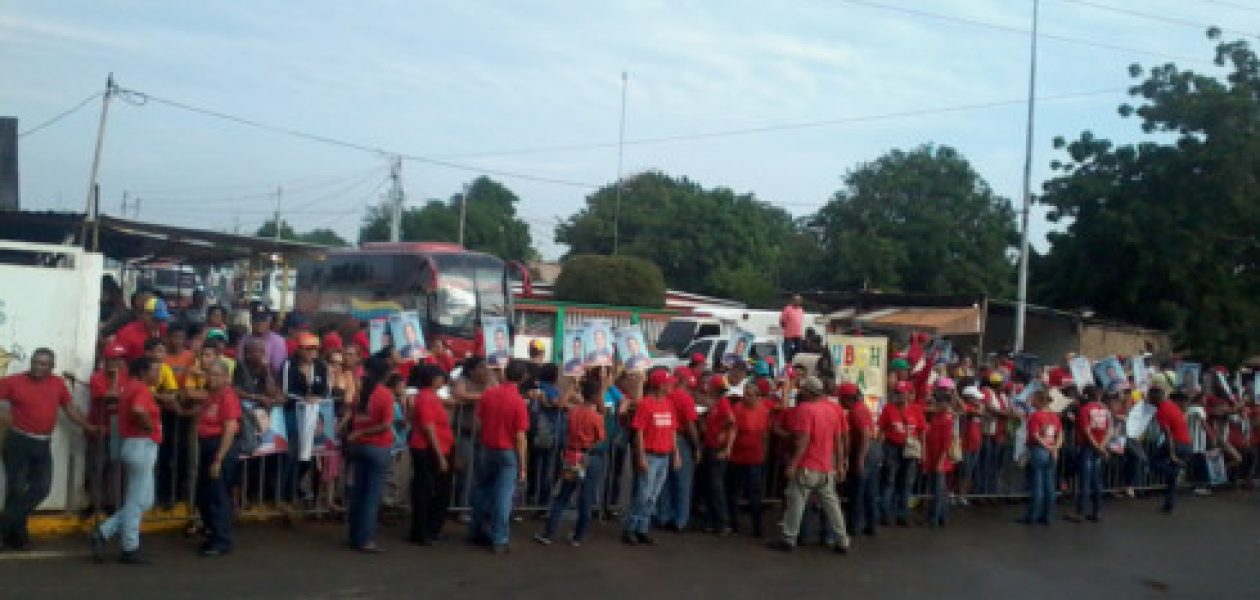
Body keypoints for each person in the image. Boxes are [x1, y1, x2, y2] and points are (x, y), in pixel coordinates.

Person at [0, 350, 97, 550]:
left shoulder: (57, 384)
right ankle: (17, 536)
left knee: (42, 488)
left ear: (51, 367)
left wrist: (88, 427)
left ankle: (6, 527)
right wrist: (3, 414)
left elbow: (69, 408)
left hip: (43, 443)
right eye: (35, 362)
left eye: (43, 364)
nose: (38, 366)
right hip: (19, 441)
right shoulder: (13, 381)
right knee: (16, 489)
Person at [90, 357, 162, 564]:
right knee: (135, 501)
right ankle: (129, 547)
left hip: (134, 444)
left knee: (143, 501)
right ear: (144, 371)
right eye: (154, 369)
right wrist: (149, 427)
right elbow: (138, 410)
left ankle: (104, 531)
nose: (157, 374)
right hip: (141, 444)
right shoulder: (140, 389)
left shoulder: (130, 387)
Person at [769, 376, 849, 553]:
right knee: (832, 505)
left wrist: (793, 463)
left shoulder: (805, 410)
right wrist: (841, 463)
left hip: (807, 464)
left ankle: (789, 538)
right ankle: (842, 539)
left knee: (796, 502)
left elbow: (803, 440)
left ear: (809, 392)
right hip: (826, 466)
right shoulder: (833, 409)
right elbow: (839, 440)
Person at [536, 375, 608, 547]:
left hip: (572, 455)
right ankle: (578, 536)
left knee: (563, 495)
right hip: (590, 456)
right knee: (586, 498)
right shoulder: (595, 417)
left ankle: (549, 533)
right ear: (596, 396)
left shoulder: (573, 411)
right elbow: (601, 437)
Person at [470, 360, 530, 554]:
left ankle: (477, 529)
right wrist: (523, 464)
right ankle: (499, 538)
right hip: (507, 451)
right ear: (522, 378)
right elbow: (520, 436)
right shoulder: (518, 401)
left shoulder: (488, 394)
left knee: (481, 491)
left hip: (487, 447)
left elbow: (477, 422)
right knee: (503, 496)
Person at [622, 369, 680, 546]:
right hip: (651, 454)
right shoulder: (646, 404)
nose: (672, 386)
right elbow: (638, 431)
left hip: (664, 455)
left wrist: (675, 453)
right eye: (669, 383)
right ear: (660, 385)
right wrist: (641, 456)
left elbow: (672, 430)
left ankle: (642, 528)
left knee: (653, 495)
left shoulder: (669, 404)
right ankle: (631, 528)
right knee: (643, 494)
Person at [345, 356, 395, 553]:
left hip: (359, 445)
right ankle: (366, 539)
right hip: (377, 446)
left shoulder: (361, 392)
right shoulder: (384, 394)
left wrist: (358, 433)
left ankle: (355, 535)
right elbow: (385, 425)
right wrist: (364, 433)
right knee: (371, 496)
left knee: (358, 492)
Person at [193, 359, 242, 557]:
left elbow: (229, 428)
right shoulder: (211, 396)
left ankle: (222, 540)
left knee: (217, 494)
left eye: (214, 374)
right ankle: (213, 533)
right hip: (208, 445)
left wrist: (218, 458)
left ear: (225, 377)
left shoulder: (227, 396)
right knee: (205, 494)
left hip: (219, 447)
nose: (210, 378)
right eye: (209, 374)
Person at [279, 332, 330, 506]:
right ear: (299, 349)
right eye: (307, 349)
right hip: (293, 411)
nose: (311, 353)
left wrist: (317, 399)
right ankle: (284, 492)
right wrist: (303, 398)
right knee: (291, 452)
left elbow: (325, 390)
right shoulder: (288, 365)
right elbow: (285, 390)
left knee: (311, 454)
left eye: (314, 349)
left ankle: (296, 487)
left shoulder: (321, 366)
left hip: (314, 412)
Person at [408, 364, 453, 546]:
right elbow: (429, 428)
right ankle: (424, 531)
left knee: (431, 490)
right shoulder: (426, 398)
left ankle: (428, 529)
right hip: (429, 449)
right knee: (428, 491)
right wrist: (440, 456)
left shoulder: (429, 397)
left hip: (434, 448)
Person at [727, 380, 772, 537]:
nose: (746, 397)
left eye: (750, 395)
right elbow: (732, 430)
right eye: (745, 394)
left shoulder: (764, 411)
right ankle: (734, 524)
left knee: (755, 494)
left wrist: (764, 454)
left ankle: (757, 526)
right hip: (738, 457)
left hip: (755, 458)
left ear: (757, 397)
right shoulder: (738, 409)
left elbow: (765, 435)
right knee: (734, 492)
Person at [657, 367, 699, 533]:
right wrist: (697, 446)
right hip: (680, 439)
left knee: (665, 481)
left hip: (666, 437)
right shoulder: (685, 398)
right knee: (682, 481)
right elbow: (690, 425)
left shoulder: (666, 395)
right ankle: (680, 520)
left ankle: (664, 516)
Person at [879, 381, 925, 526]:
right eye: (897, 392)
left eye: (901, 392)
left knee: (907, 483)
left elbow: (922, 430)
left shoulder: (916, 409)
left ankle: (902, 514)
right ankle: (885, 514)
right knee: (889, 481)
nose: (898, 395)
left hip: (910, 450)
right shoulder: (888, 409)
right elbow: (881, 430)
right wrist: (880, 450)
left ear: (909, 394)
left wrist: (923, 451)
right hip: (892, 448)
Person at [839, 382, 880, 537]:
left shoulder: (856, 411)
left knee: (858, 490)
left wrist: (860, 459)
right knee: (869, 490)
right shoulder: (861, 408)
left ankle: (854, 525)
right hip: (872, 450)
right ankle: (871, 525)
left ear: (848, 398)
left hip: (866, 451)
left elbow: (864, 434)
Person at [697, 377, 736, 534]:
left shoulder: (723, 404)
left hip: (717, 449)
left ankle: (722, 522)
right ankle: (713, 521)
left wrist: (726, 445)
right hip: (712, 447)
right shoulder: (716, 404)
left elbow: (731, 422)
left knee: (716, 486)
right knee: (711, 485)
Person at [1020, 391, 1063, 525]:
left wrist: (1047, 446)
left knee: (1037, 485)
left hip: (1039, 450)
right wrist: (1055, 447)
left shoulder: (1036, 416)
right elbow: (1060, 434)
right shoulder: (1054, 416)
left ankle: (1033, 515)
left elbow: (1035, 435)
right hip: (1051, 449)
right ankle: (1048, 516)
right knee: (1049, 485)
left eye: (1033, 399)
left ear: (1038, 401)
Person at [1068, 387, 1111, 523]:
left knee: (1085, 481)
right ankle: (1097, 511)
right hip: (1099, 446)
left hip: (1087, 447)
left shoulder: (1085, 409)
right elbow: (1110, 429)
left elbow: (1086, 430)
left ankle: (1080, 512)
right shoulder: (1105, 410)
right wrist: (1102, 446)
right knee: (1096, 480)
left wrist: (1096, 446)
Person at [1152, 388, 1193, 513]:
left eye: (1150, 397)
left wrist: (1172, 454)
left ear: (1155, 398)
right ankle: (1169, 505)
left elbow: (1168, 434)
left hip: (1176, 443)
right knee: (1172, 479)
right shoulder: (1172, 405)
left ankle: (1175, 472)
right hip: (1187, 443)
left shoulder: (1161, 410)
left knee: (1153, 463)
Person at [924, 388, 956, 527]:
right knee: (940, 490)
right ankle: (942, 517)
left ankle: (935, 518)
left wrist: (940, 462)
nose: (936, 404)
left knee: (938, 490)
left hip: (939, 459)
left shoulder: (947, 419)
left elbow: (946, 444)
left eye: (938, 402)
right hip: (934, 456)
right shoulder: (937, 416)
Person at [113, 296, 170, 361]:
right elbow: (117, 358)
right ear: (145, 315)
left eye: (162, 320)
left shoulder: (165, 330)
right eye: (156, 319)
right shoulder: (127, 333)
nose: (159, 323)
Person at [237, 305, 287, 377]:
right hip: (247, 378)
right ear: (251, 321)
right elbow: (240, 363)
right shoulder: (244, 338)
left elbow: (278, 369)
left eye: (263, 320)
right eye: (256, 319)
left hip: (271, 380)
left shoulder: (278, 341)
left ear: (269, 321)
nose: (260, 323)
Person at [780, 295, 805, 360]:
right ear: (793, 301)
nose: (798, 302)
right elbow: (782, 321)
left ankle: (797, 364)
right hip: (789, 334)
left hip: (798, 334)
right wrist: (787, 328)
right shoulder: (787, 309)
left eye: (799, 300)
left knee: (799, 352)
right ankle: (786, 363)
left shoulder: (801, 309)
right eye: (797, 300)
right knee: (787, 351)